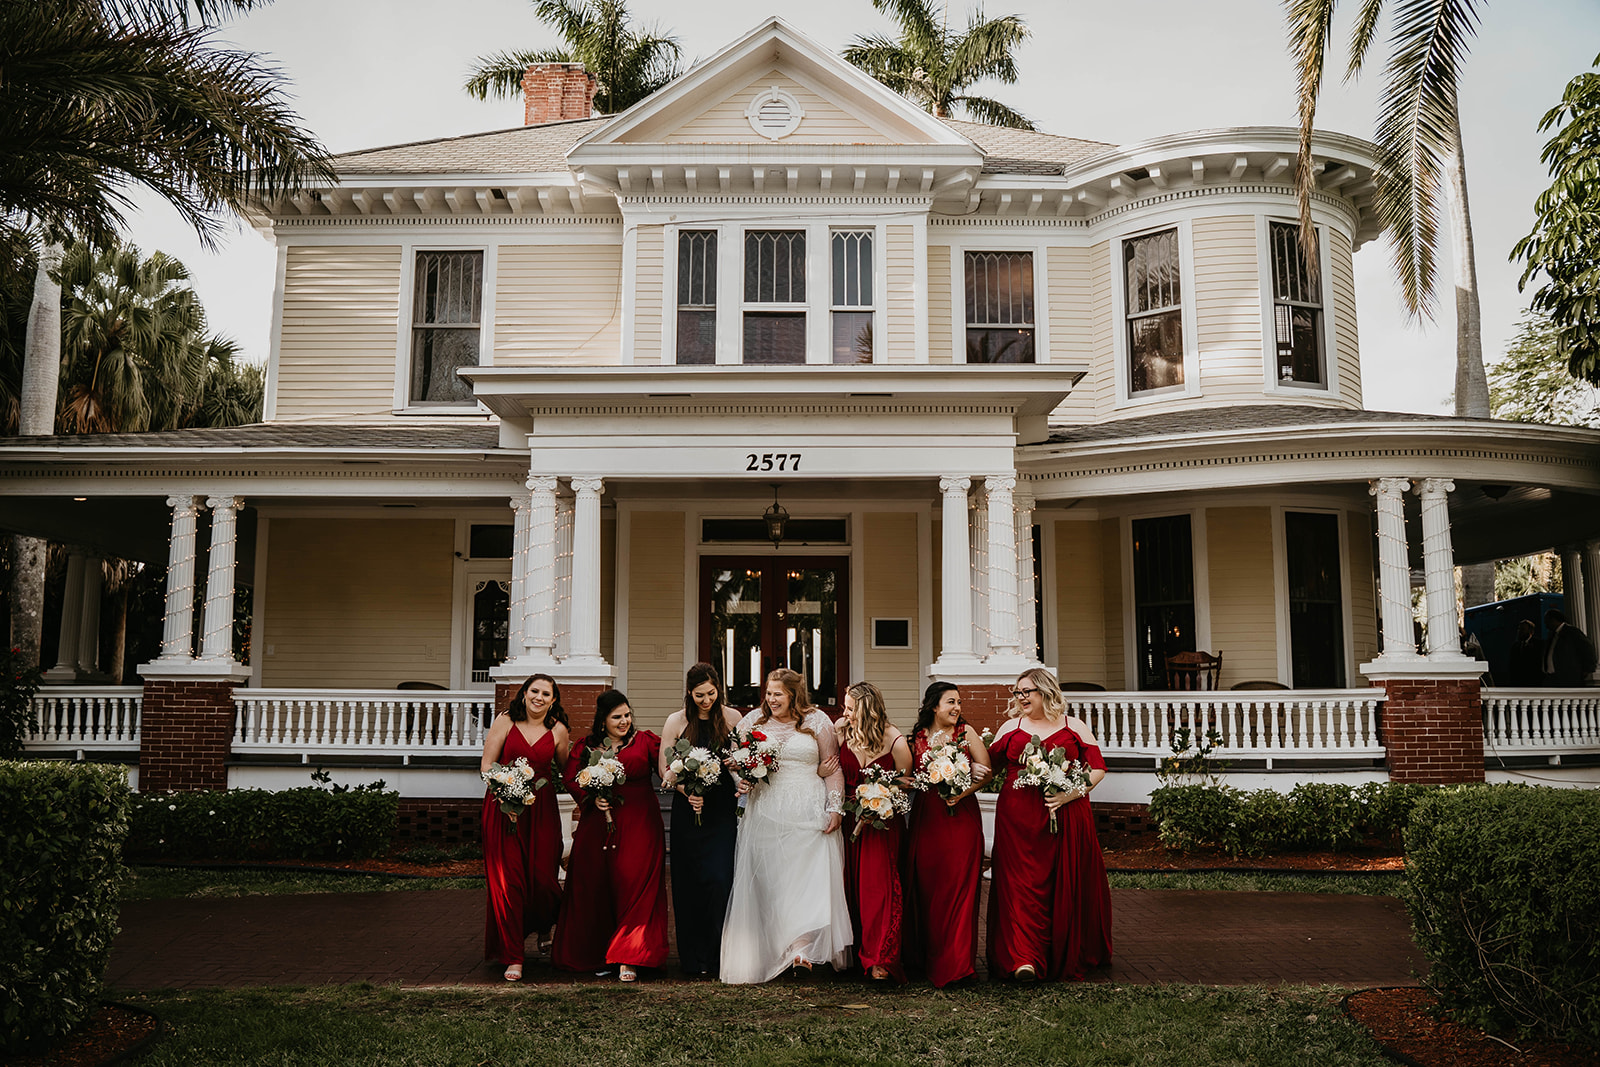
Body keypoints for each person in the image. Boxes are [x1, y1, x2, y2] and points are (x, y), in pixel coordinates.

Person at [720, 668, 852, 983]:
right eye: (768, 693)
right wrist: (744, 781)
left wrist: (835, 807)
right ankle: (776, 947)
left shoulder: (818, 721)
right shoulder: (752, 721)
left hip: (808, 811)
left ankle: (801, 951)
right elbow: (735, 760)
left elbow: (832, 769)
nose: (771, 699)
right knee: (773, 882)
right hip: (766, 811)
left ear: (793, 693)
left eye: (778, 693)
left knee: (807, 880)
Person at [987, 667, 1113, 982]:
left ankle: (1059, 951)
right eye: (1017, 692)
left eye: (1026, 691)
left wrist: (1070, 794)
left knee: (1061, 883)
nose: (1020, 698)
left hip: (1065, 816)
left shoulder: (1075, 727)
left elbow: (1097, 768)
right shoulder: (1010, 727)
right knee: (1019, 885)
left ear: (1045, 691)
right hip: (1017, 821)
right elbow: (988, 767)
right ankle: (1022, 958)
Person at [551, 689, 668, 982]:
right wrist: (590, 796)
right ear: (603, 721)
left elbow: (667, 767)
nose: (625, 721)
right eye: (617, 717)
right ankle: (595, 953)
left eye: (627, 715)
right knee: (595, 885)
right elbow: (571, 777)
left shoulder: (645, 742)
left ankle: (630, 955)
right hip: (597, 824)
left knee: (635, 883)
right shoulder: (587, 747)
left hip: (640, 822)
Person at [479, 673, 568, 982]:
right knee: (510, 884)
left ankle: (545, 923)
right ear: (525, 693)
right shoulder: (506, 720)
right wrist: (506, 789)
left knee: (544, 880)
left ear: (553, 700)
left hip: (542, 811)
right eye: (534, 690)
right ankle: (513, 956)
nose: (539, 697)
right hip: (504, 811)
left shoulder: (558, 731)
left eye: (546, 693)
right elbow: (487, 764)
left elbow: (566, 772)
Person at [902, 681, 990, 987]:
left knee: (959, 889)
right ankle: (927, 958)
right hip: (928, 818)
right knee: (928, 888)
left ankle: (957, 966)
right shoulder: (916, 738)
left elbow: (986, 771)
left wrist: (962, 791)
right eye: (951, 702)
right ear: (934, 706)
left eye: (959, 702)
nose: (957, 708)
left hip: (961, 817)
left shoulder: (966, 733)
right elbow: (907, 777)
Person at [658, 663, 741, 979]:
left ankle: (720, 955)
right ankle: (694, 959)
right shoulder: (676, 722)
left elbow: (740, 760)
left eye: (711, 693)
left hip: (720, 810)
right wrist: (685, 789)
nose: (706, 700)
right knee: (689, 883)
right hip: (687, 810)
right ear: (689, 693)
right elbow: (665, 768)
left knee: (720, 880)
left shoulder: (732, 718)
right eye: (699, 695)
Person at [837, 680, 913, 982]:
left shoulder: (894, 740)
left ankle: (880, 957)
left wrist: (881, 801)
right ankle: (855, 954)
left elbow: (905, 784)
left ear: (866, 709)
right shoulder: (842, 731)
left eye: (850, 708)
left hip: (882, 825)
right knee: (851, 886)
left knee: (879, 890)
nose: (845, 713)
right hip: (849, 821)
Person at [1544, 608, 1597, 687]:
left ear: (1554, 619)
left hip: (1568, 677)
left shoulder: (1572, 632)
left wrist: (1588, 668)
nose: (1545, 624)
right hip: (1553, 678)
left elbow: (1587, 648)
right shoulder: (1552, 635)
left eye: (1547, 620)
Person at [1507, 618, 1544, 687]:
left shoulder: (1539, 644)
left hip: (1534, 682)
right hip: (1518, 683)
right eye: (1519, 629)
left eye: (1523, 629)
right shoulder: (1515, 646)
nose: (1519, 631)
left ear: (1530, 631)